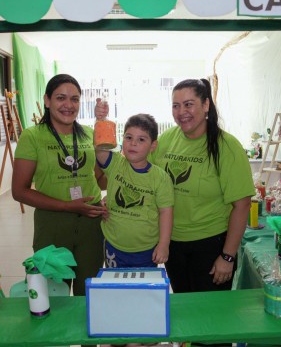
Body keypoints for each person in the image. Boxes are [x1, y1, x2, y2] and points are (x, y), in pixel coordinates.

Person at [150, 79, 254, 295]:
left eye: (188, 104)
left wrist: (228, 256)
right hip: (174, 245)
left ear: (206, 105)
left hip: (210, 245)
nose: (181, 112)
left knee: (211, 315)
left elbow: (242, 205)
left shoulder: (227, 147)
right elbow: (145, 176)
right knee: (184, 307)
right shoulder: (167, 139)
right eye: (176, 106)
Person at [12, 74, 106, 296]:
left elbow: (100, 179)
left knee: (88, 293)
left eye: (74, 99)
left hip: (91, 225)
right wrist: (67, 206)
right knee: (53, 294)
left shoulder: (89, 136)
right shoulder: (32, 136)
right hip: (52, 226)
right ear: (47, 100)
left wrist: (129, 173)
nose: (68, 105)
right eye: (61, 98)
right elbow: (19, 191)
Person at [93, 111, 174, 268]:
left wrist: (164, 244)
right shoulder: (115, 163)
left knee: (142, 291)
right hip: (113, 245)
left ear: (153, 146)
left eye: (141, 139)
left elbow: (166, 212)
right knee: (117, 289)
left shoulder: (160, 178)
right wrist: (101, 120)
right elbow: (100, 149)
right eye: (128, 137)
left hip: (146, 250)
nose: (133, 143)